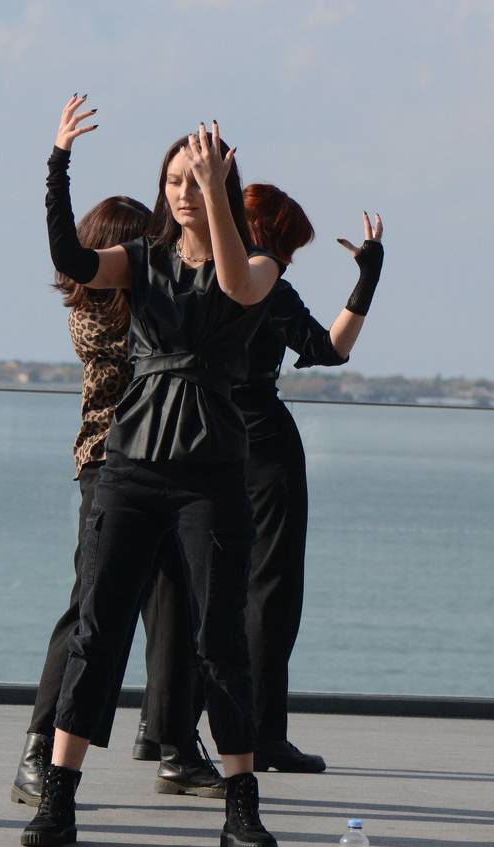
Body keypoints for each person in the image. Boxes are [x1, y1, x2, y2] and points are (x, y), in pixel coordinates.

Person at [21, 96, 281, 847]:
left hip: (210, 475)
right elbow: (71, 259)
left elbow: (232, 284)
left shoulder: (257, 266)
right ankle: (60, 795)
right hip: (130, 466)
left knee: (219, 638)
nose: (181, 192)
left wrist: (217, 196)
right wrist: (59, 163)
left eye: (195, 180)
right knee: (97, 631)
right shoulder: (140, 260)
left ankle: (241, 804)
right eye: (172, 181)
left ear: (222, 188)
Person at [134, 186, 385, 775]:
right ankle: (262, 734)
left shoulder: (188, 275)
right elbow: (328, 349)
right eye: (291, 244)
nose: (289, 258)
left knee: (189, 590)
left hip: (192, 440)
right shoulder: (266, 282)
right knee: (269, 592)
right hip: (263, 449)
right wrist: (367, 279)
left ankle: (163, 727)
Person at [11, 196, 221, 807]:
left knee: (173, 606)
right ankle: (39, 748)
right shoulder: (109, 313)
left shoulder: (121, 304)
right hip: (111, 462)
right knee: (92, 608)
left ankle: (175, 743)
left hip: (159, 461)